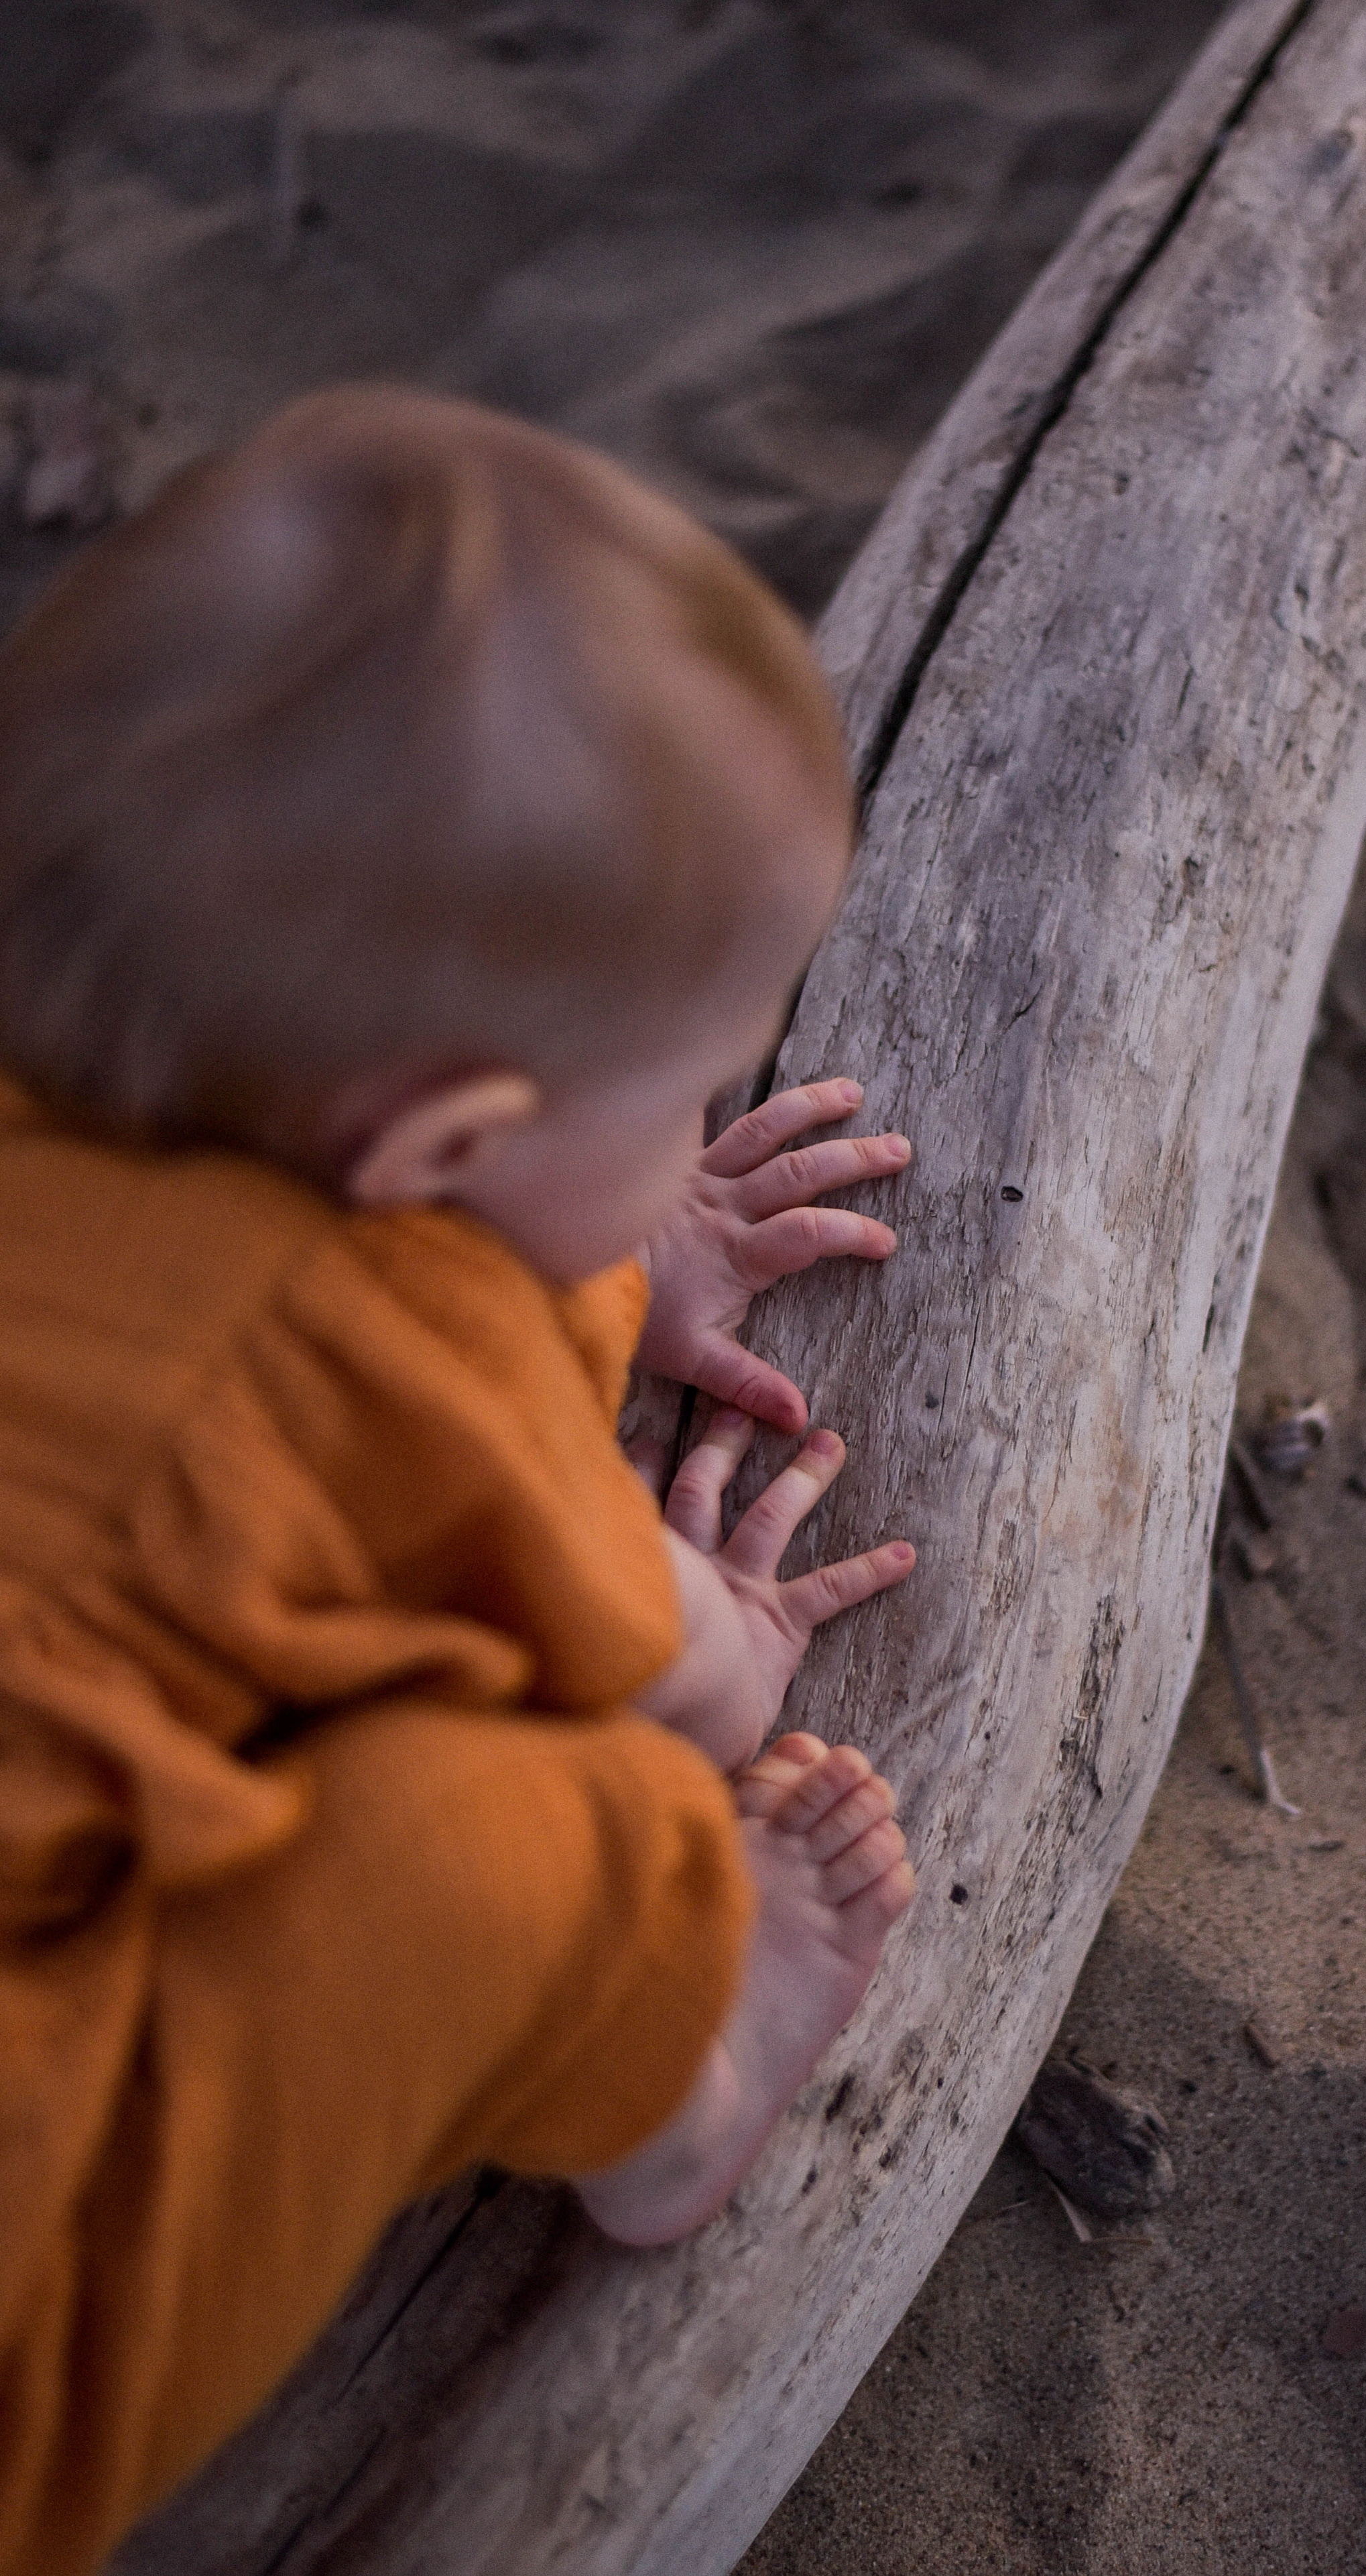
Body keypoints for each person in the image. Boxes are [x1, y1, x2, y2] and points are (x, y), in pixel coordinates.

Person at [0, 384, 916, 2576]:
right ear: (433, 1153)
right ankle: (680, 2112)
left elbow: (394, 1354)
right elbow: (675, 1687)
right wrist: (727, 1628)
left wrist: (608, 1247)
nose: (710, 1111)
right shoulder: (355, 1337)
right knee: (526, 1830)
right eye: (683, 1084)